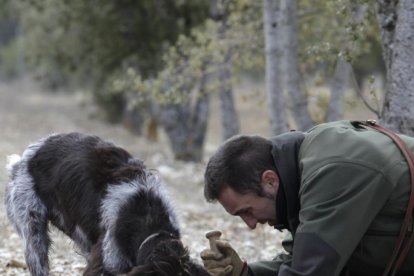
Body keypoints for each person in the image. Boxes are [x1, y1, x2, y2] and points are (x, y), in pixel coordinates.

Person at [200, 120, 414, 276]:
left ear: (270, 181)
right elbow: (299, 262)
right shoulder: (304, 171)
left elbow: (308, 271)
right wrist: (246, 273)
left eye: (247, 211)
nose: (251, 224)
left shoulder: (333, 169)